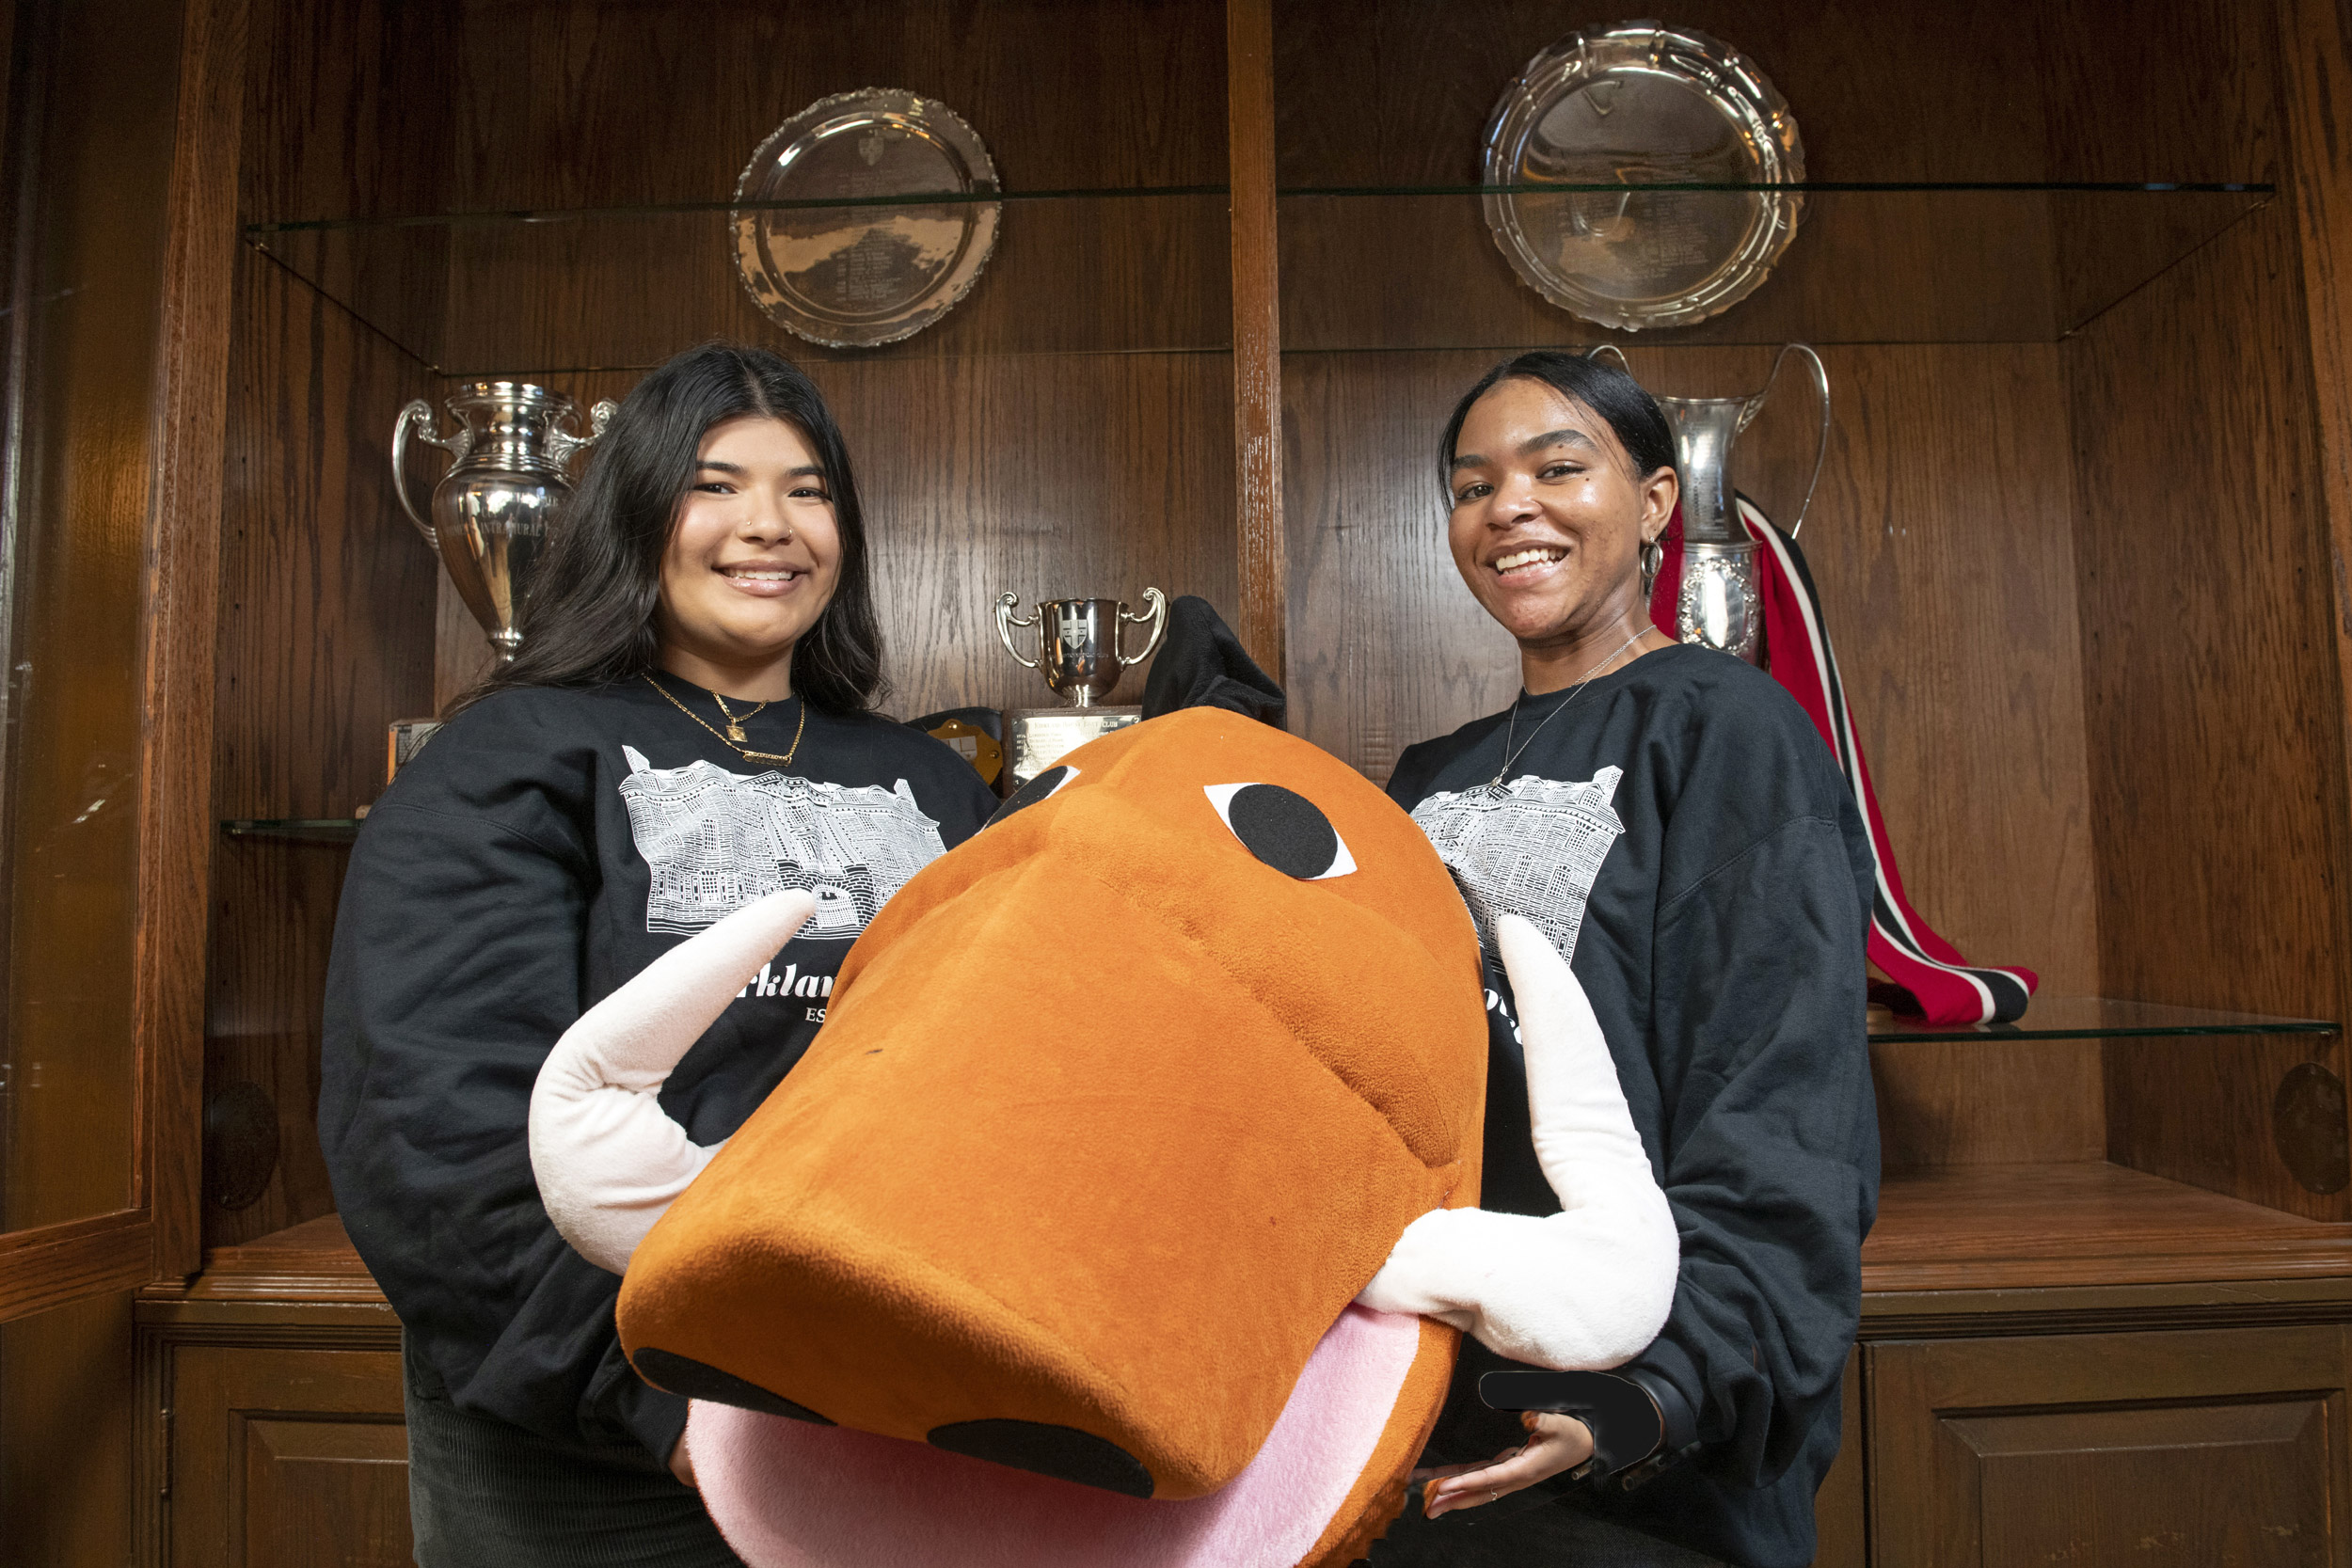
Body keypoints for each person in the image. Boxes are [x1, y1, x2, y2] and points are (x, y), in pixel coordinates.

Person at [318, 342, 998, 1567]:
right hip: (595, 1442)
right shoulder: (509, 757)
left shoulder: (934, 782)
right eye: (715, 483)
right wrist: (669, 1405)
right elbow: (433, 1125)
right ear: (637, 512)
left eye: (808, 489)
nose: (768, 525)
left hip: (889, 1409)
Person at [1369, 352, 1879, 1568]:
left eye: (1558, 468)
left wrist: (1656, 1386)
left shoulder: (1724, 729)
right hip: (1435, 1400)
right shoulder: (1426, 775)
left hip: (1634, 1431)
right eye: (1472, 485)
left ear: (1655, 505)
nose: (1510, 508)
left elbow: (1785, 1099)